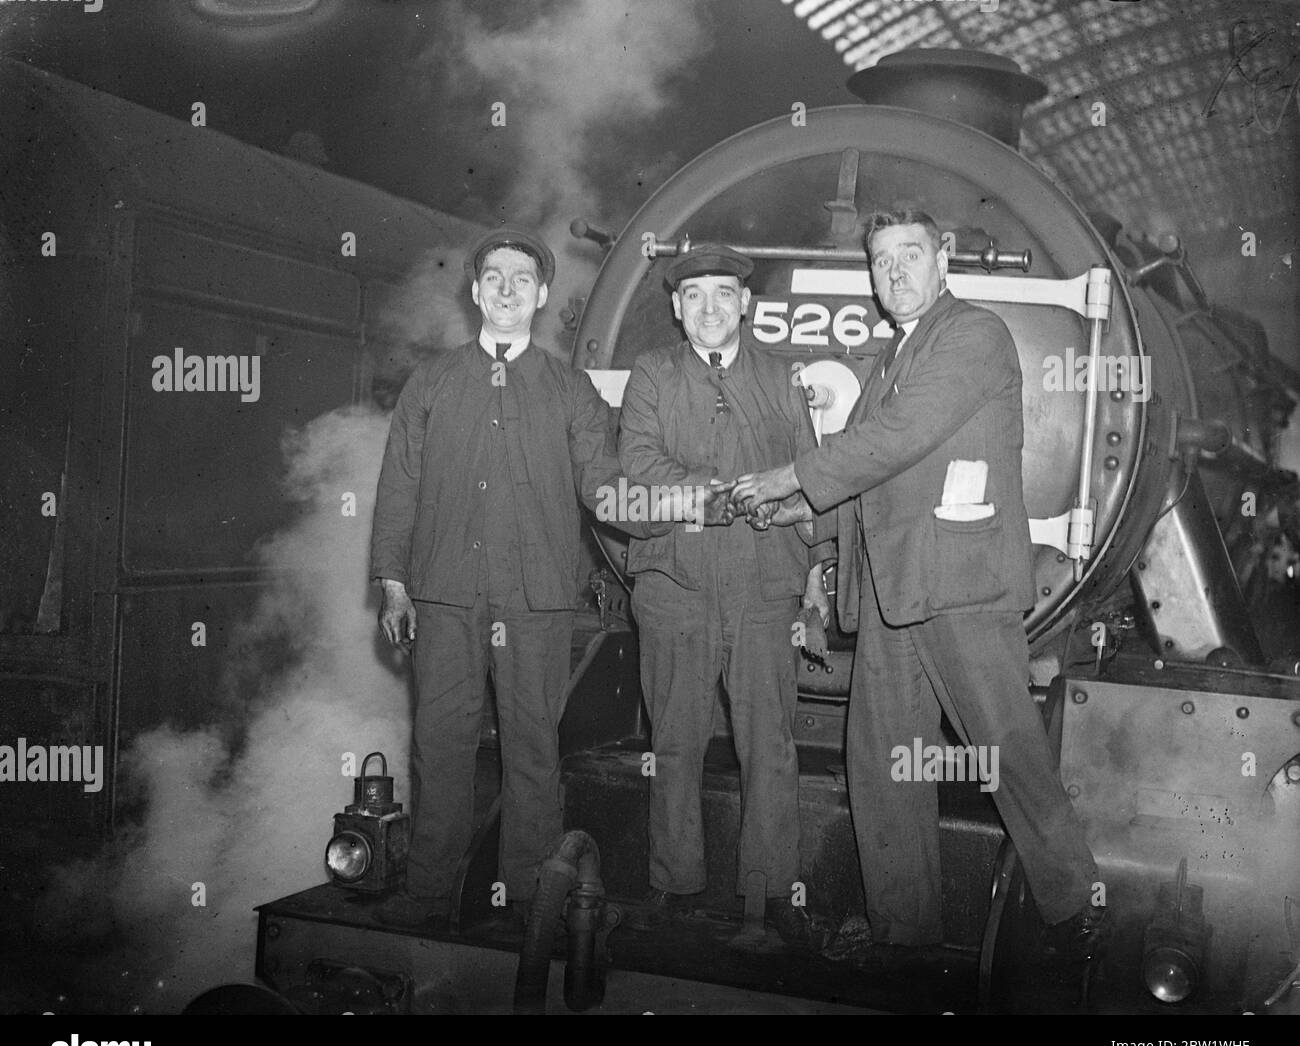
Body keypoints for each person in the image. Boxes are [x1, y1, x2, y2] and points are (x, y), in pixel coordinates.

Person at [731, 210, 1107, 963]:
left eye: (910, 254)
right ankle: (904, 929)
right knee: (881, 760)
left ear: (945, 259)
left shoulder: (971, 334)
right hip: (894, 593)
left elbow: (894, 441)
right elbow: (869, 481)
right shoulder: (890, 360)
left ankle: (1078, 915)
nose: (894, 272)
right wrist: (800, 515)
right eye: (880, 261)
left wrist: (790, 477)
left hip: (960, 589)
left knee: (1004, 754)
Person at [369, 224, 656, 931]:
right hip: (445, 592)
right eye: (493, 277)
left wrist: (673, 509)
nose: (506, 290)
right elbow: (399, 485)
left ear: (541, 295)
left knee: (533, 746)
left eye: (521, 280)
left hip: (534, 600)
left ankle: (529, 898)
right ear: (475, 291)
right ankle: (429, 892)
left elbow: (602, 485)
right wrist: (393, 582)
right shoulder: (432, 383)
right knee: (440, 742)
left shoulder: (570, 390)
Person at [618, 244, 834, 944]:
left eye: (723, 294)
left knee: (768, 745)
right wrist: (727, 493)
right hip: (675, 585)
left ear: (746, 304)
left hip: (765, 586)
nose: (710, 308)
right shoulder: (651, 375)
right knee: (674, 742)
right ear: (677, 309)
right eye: (694, 297)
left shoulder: (782, 377)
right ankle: (673, 888)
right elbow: (639, 467)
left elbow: (812, 476)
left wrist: (816, 576)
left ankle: (769, 896)